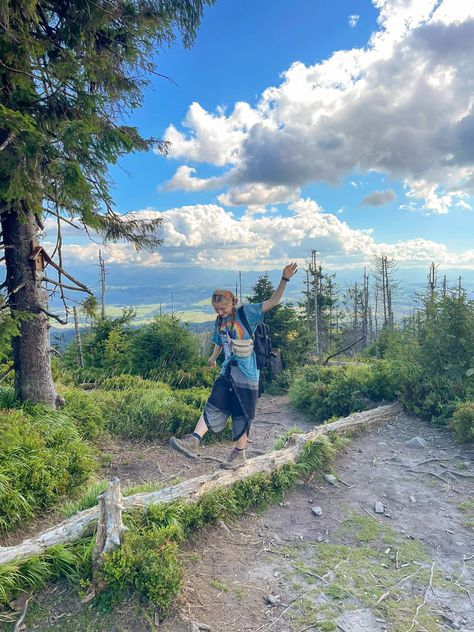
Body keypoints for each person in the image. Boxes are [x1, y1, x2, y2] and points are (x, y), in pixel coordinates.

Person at [169, 263, 298, 469]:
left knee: (243, 413)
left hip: (247, 374)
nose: (220, 312)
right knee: (214, 401)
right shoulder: (219, 322)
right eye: (216, 309)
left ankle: (240, 454)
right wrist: (212, 358)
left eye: (223, 308)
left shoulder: (248, 313)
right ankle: (194, 441)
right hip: (228, 370)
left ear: (233, 303)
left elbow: (273, 302)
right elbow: (219, 342)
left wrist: (284, 279)